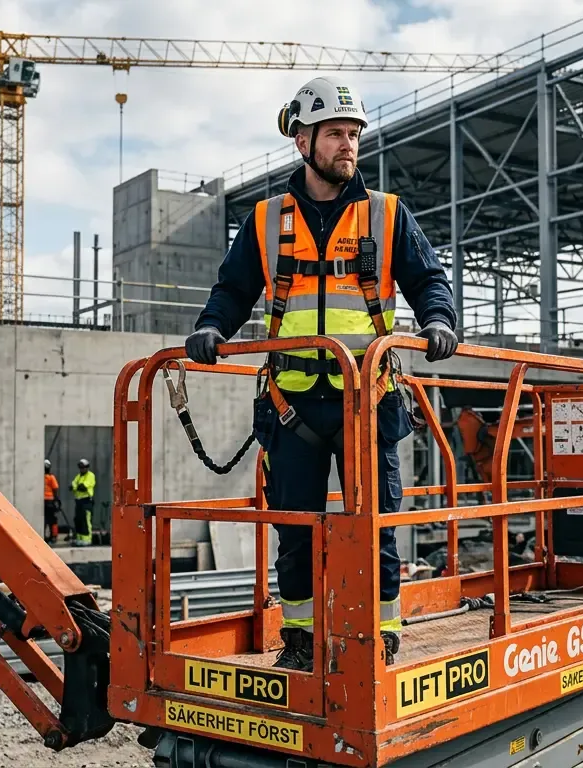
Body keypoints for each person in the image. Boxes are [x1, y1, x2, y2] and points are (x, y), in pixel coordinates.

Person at [184, 75, 458, 670]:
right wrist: (213, 327)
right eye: (335, 133)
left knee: (377, 525)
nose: (348, 145)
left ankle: (383, 636)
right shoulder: (264, 220)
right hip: (294, 401)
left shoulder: (387, 215)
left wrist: (439, 319)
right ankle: (301, 641)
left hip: (370, 399)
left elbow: (429, 279)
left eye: (354, 134)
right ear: (302, 141)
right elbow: (233, 289)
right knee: (296, 529)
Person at [71, 458, 96, 547]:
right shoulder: (79, 476)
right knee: (78, 520)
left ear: (87, 467)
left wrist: (76, 487)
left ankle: (87, 539)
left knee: (86, 520)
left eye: (84, 467)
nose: (82, 469)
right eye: (81, 467)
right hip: (79, 501)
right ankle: (79, 538)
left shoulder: (90, 475)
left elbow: (83, 487)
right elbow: (73, 485)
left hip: (86, 501)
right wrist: (76, 487)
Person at [43, 459, 62, 542]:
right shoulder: (51, 477)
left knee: (48, 520)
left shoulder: (48, 477)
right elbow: (55, 489)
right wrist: (56, 499)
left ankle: (51, 536)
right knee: (51, 520)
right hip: (49, 500)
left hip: (46, 501)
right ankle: (53, 536)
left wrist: (56, 499)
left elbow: (55, 489)